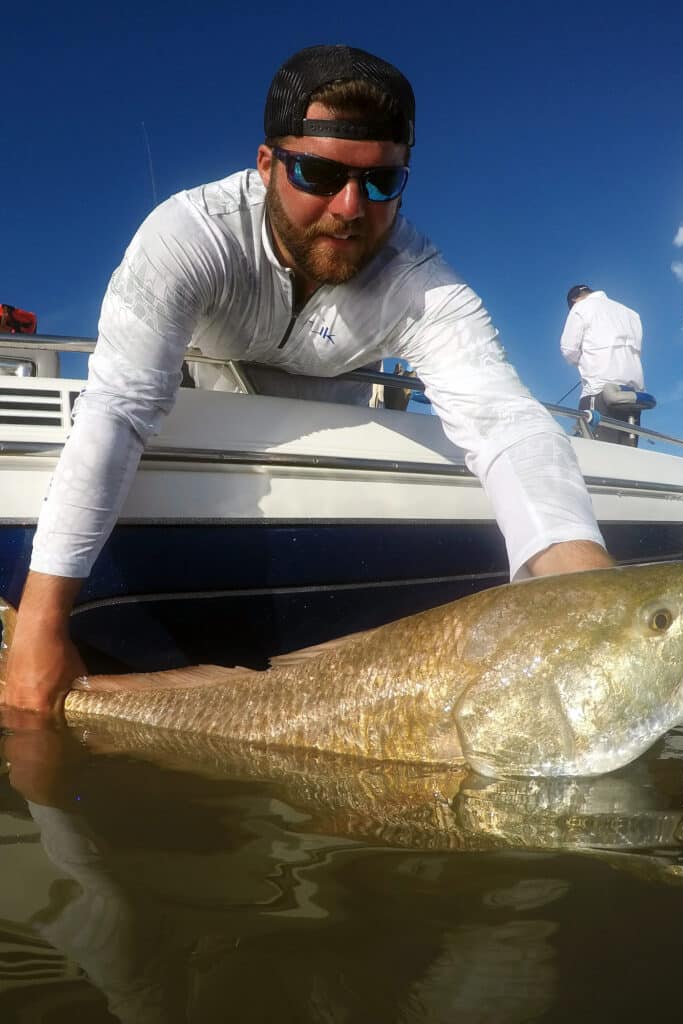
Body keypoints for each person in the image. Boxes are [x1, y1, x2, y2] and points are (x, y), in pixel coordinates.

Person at [4, 44, 613, 714]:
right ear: (268, 164)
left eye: (381, 182)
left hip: (341, 429)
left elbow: (507, 421)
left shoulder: (419, 278)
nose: (350, 207)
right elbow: (119, 409)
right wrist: (41, 624)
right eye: (319, 173)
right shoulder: (189, 234)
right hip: (208, 418)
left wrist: (589, 602)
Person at [560, 285, 644, 445]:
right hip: (633, 395)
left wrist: (581, 360)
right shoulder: (632, 314)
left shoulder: (580, 307)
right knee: (628, 455)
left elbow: (568, 350)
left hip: (599, 390)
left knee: (596, 452)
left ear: (574, 300)